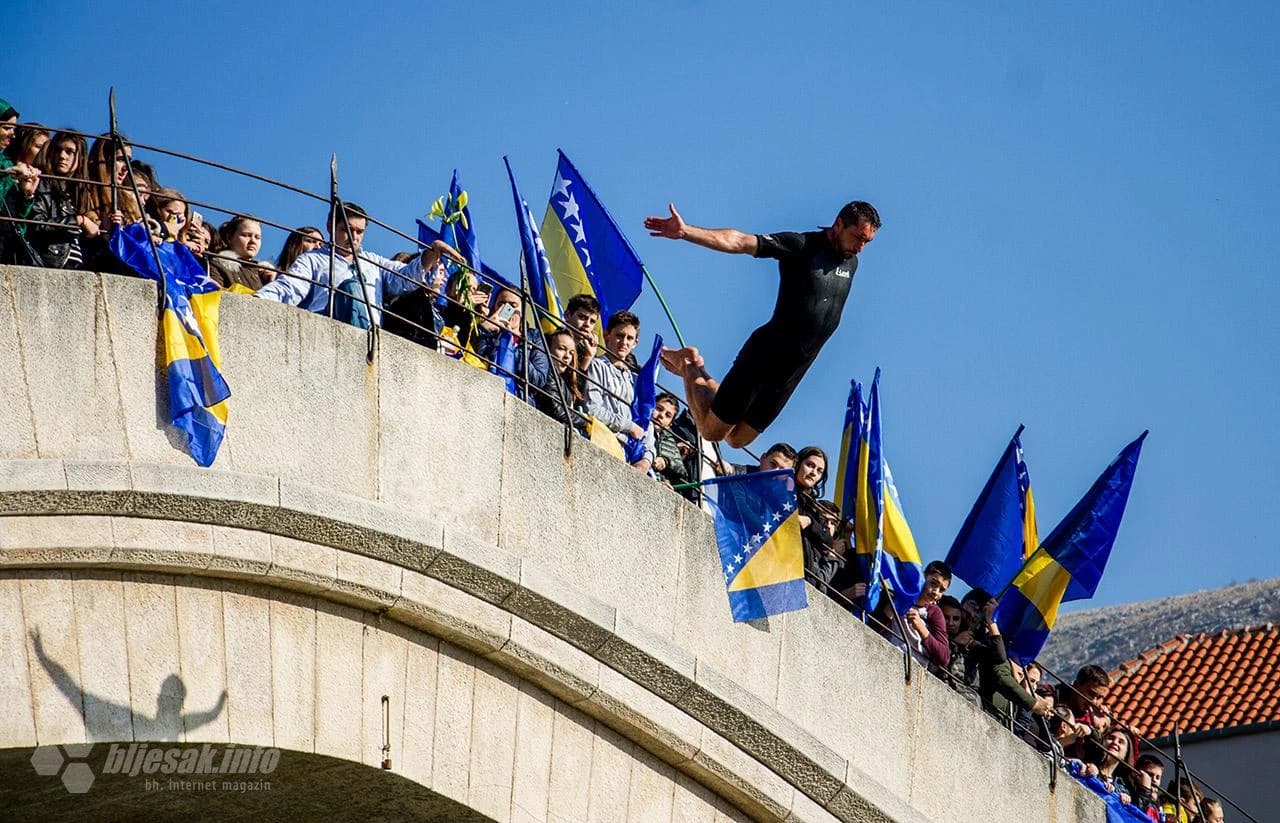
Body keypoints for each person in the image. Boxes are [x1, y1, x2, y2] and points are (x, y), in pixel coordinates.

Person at [645, 200, 880, 447]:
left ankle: (701, 374)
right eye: (857, 237)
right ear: (839, 224)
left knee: (737, 440)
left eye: (867, 242)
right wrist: (686, 232)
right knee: (712, 432)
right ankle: (688, 364)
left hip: (793, 372)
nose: (861, 247)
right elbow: (740, 241)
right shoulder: (802, 246)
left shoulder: (851, 262)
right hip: (765, 357)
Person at [256, 201, 462, 327]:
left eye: (359, 232)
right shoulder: (313, 260)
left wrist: (431, 254)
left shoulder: (373, 262)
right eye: (347, 229)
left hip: (368, 341)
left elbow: (405, 278)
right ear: (330, 226)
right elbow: (289, 288)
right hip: (326, 333)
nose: (354, 237)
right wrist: (259, 299)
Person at [585, 310, 654, 472]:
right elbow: (592, 409)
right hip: (605, 443)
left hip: (632, 455)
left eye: (629, 338)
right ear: (607, 335)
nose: (624, 342)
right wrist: (629, 426)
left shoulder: (635, 380)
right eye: (619, 335)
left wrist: (646, 460)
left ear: (635, 343)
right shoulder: (597, 366)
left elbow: (647, 422)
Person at [15, 131, 90, 269]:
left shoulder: (78, 192)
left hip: (77, 267)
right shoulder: (44, 183)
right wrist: (78, 221)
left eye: (69, 152)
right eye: (58, 150)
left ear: (81, 158)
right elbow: (37, 223)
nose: (62, 156)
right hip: (53, 264)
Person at [209, 215, 273, 291]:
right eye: (246, 235)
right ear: (229, 237)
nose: (253, 241)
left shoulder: (265, 274)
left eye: (257, 237)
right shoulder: (217, 264)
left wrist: (274, 281)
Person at [651, 393, 691, 487]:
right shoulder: (638, 423)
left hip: (659, 482)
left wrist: (666, 461)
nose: (661, 415)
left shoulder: (670, 441)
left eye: (668, 415)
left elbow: (682, 471)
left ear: (670, 424)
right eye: (659, 409)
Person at [720, 442, 798, 476]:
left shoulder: (782, 499)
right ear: (763, 458)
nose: (775, 471)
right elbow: (731, 470)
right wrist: (726, 468)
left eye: (782, 471)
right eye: (773, 464)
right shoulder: (742, 473)